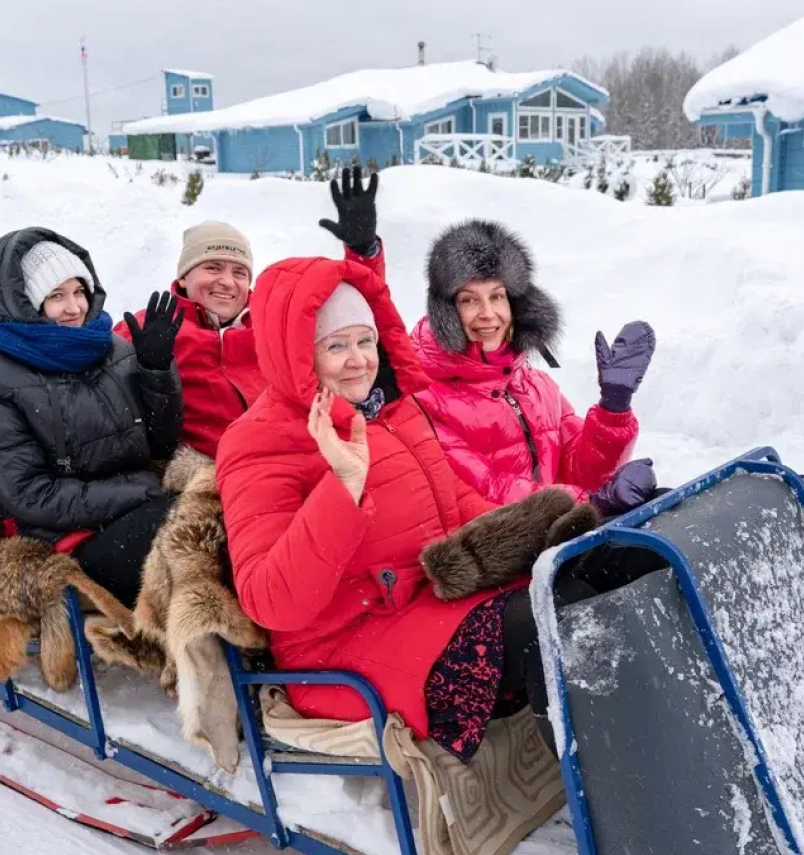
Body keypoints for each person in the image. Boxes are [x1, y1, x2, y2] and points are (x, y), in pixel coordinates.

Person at [216, 254, 596, 761]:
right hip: (342, 650)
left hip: (430, 606)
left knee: (583, 577)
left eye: (365, 341)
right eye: (335, 345)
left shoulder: (393, 409)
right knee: (548, 623)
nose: (359, 360)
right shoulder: (258, 441)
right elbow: (272, 603)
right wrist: (343, 487)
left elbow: (455, 503)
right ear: (297, 354)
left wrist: (542, 524)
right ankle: (604, 784)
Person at [0, 228, 184, 610]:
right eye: (56, 296)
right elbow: (31, 495)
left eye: (79, 291)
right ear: (26, 304)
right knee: (187, 543)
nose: (74, 308)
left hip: (140, 507)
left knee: (225, 520)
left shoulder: (113, 350)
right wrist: (138, 493)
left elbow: (161, 444)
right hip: (65, 542)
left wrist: (156, 372)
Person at [123, 166, 385, 459]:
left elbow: (352, 318)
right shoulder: (151, 327)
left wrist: (363, 252)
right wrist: (149, 365)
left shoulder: (270, 318)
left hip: (289, 453)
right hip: (204, 466)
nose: (227, 281)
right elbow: (92, 368)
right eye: (212, 268)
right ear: (184, 277)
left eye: (239, 272)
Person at [411, 219, 658, 518]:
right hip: (505, 543)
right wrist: (593, 503)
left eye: (496, 296)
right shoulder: (424, 399)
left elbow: (583, 471)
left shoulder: (538, 386)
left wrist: (613, 410)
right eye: (469, 300)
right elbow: (489, 489)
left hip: (560, 529)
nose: (488, 313)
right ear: (447, 312)